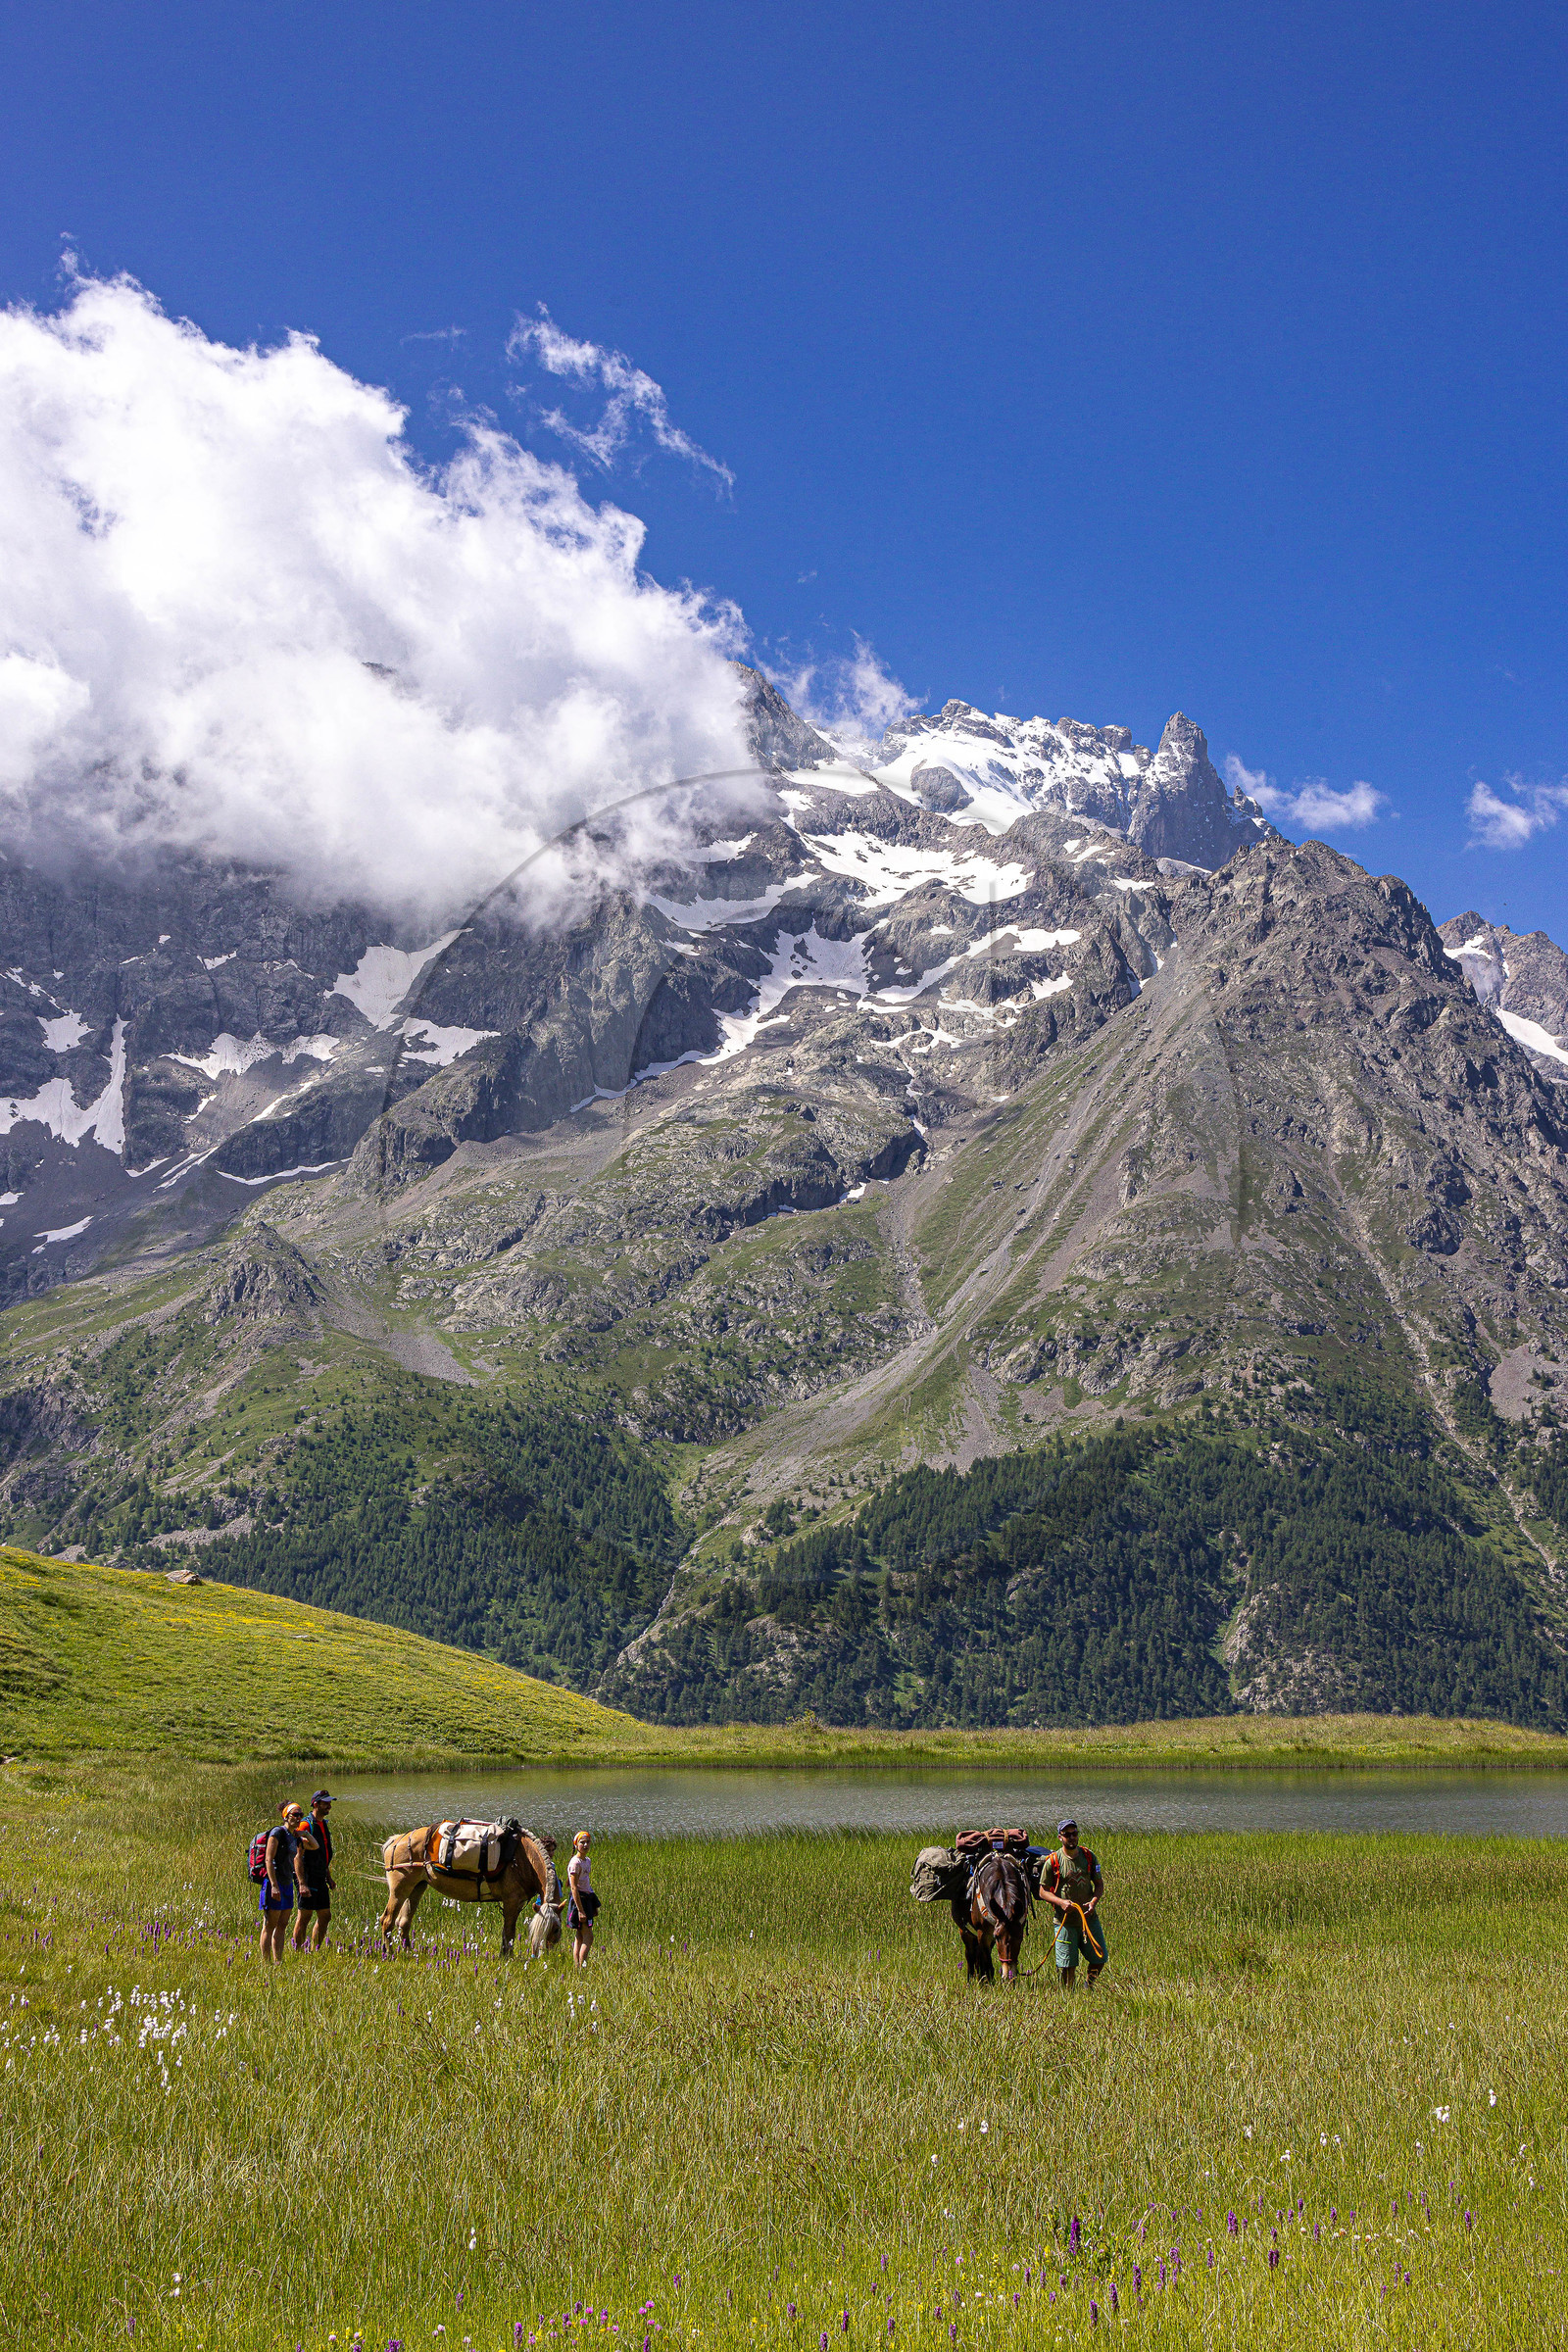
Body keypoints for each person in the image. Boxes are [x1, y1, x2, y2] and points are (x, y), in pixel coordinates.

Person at [1039, 1817, 1106, 1988]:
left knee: (1100, 1958)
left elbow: (1099, 1885)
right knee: (1067, 1966)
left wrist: (1093, 1902)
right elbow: (1042, 1891)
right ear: (1060, 1837)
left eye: (1074, 1833)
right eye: (1067, 1834)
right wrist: (1061, 1902)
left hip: (1088, 1920)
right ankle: (1069, 1997)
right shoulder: (1052, 1861)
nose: (1072, 1837)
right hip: (1065, 1922)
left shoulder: (1089, 1857)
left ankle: (1088, 1986)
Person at [259, 1801, 318, 1963]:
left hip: (287, 1884)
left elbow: (315, 1845)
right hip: (274, 1884)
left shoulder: (295, 1836)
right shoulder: (277, 1832)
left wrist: (304, 1834)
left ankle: (278, 1960)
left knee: (283, 1924)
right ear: (286, 1816)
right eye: (295, 1815)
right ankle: (266, 1963)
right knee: (270, 1924)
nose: (299, 1818)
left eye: (300, 1815)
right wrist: (274, 1885)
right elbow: (268, 1860)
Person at [291, 1788, 335, 1952]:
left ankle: (314, 1950)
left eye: (330, 1803)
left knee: (325, 1916)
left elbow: (322, 1854)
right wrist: (302, 1883)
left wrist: (328, 1876)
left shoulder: (323, 1824)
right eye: (326, 1803)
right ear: (316, 1804)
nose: (329, 1806)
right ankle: (298, 1951)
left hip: (320, 1875)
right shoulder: (305, 1825)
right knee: (305, 1916)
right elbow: (297, 1857)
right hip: (306, 1876)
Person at [566, 1829, 597, 1968]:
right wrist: (580, 1910)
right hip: (579, 1900)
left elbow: (586, 1884)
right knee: (588, 1937)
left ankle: (577, 1967)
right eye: (582, 1842)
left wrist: (594, 1904)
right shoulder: (575, 1863)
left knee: (580, 1936)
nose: (585, 1845)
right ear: (576, 1844)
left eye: (587, 1842)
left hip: (587, 1898)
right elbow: (574, 1887)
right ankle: (582, 1966)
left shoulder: (587, 1861)